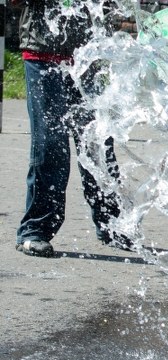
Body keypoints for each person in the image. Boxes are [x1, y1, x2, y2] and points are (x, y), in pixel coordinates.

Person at [13, 0, 131, 257]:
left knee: (98, 144)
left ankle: (111, 225)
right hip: (43, 53)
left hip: (87, 56)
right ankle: (35, 230)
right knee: (50, 144)